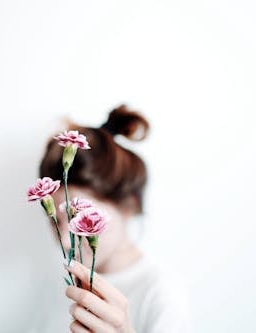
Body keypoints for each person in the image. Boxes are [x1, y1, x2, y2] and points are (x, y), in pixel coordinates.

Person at [36, 105, 189, 332]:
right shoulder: (61, 281)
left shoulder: (159, 294)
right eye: (54, 220)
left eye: (79, 218)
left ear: (130, 205)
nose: (65, 241)